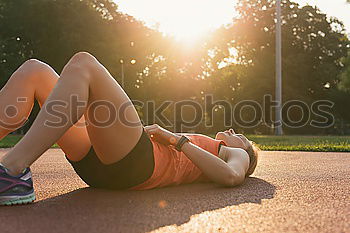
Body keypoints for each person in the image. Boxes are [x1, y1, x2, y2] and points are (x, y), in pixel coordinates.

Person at [0, 52, 258, 205]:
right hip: (102, 164)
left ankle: (12, 170)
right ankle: (10, 172)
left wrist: (175, 139)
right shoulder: (211, 149)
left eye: (243, 138)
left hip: (137, 165)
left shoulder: (236, 155)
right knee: (35, 71)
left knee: (84, 63)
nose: (236, 132)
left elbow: (231, 177)